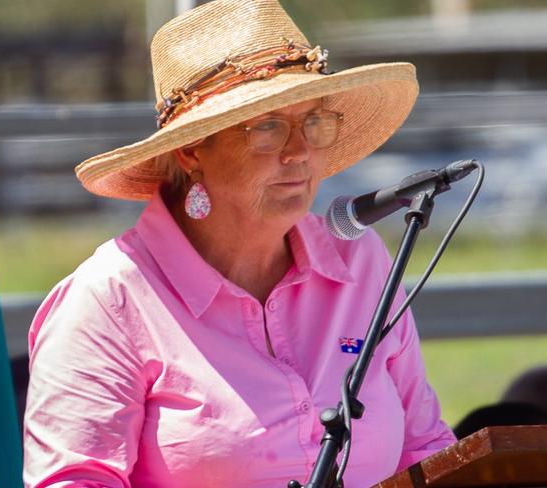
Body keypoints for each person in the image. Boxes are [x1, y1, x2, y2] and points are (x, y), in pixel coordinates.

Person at [23, 0, 456, 486]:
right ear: (191, 151)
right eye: (267, 127)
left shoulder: (361, 259)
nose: (299, 152)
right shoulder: (109, 298)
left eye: (313, 121)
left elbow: (425, 449)